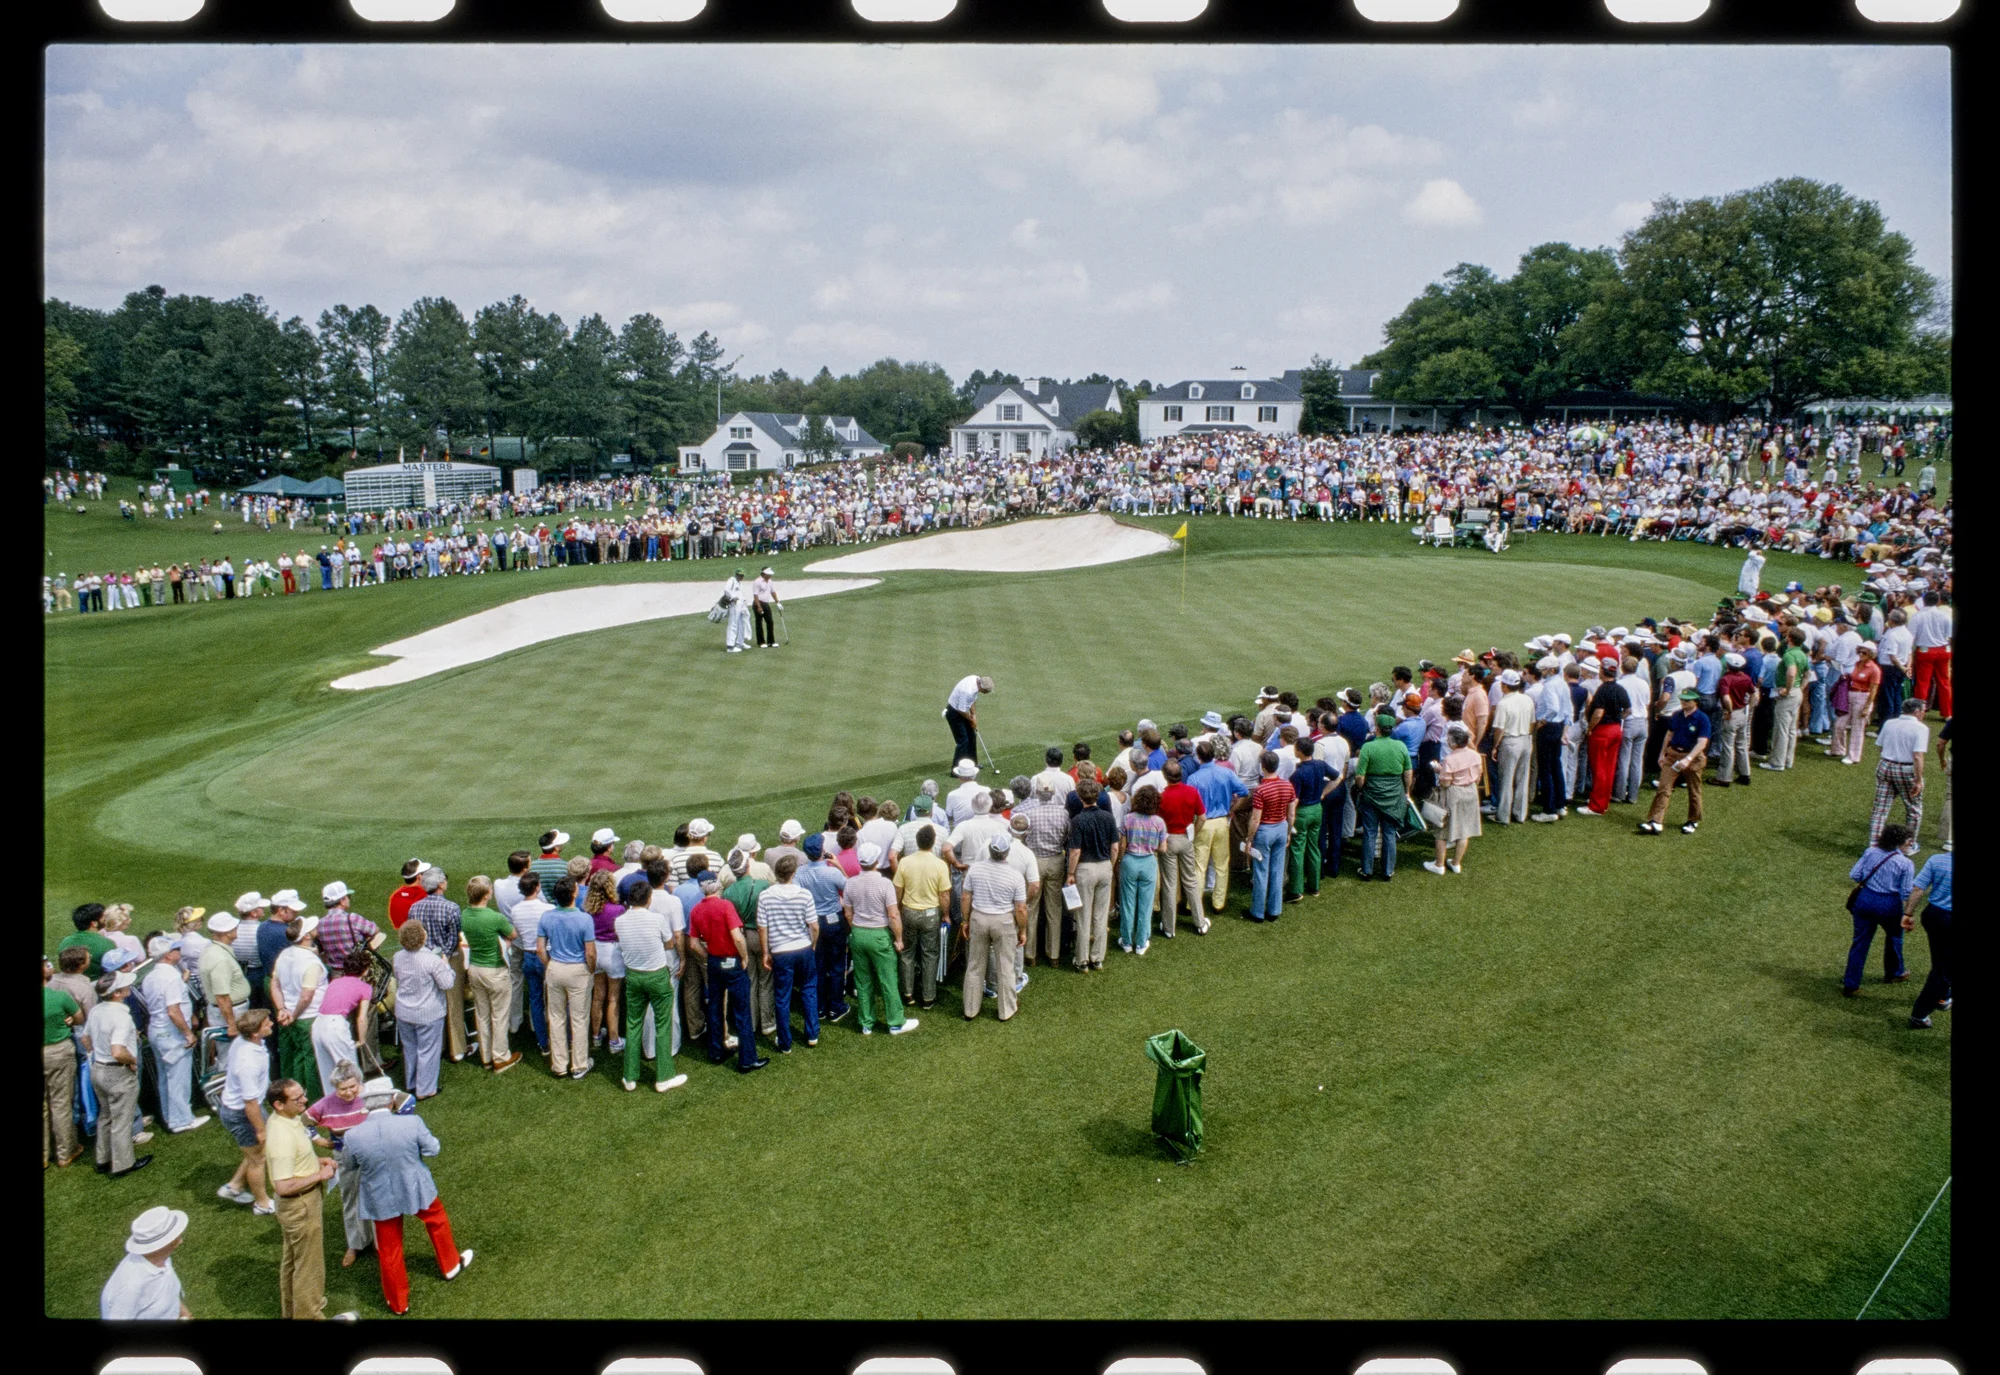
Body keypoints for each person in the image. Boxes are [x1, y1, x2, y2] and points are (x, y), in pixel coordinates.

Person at [342, 1095, 473, 1316]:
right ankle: (450, 1266)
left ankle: (398, 1303)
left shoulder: (352, 1135)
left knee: (389, 1247)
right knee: (437, 1220)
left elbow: (349, 1165)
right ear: (390, 1103)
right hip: (416, 1187)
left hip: (379, 1195)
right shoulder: (411, 1122)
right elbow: (433, 1149)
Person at [263, 1077, 351, 1321]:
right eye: (297, 1098)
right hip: (300, 1204)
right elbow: (283, 1185)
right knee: (309, 1267)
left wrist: (316, 1162)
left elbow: (295, 1162)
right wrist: (320, 1175)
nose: (305, 1100)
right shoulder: (281, 1136)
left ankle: (292, 1314)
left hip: (299, 1204)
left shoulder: (287, 1120)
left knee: (293, 1262)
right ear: (279, 1104)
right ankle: (311, 1316)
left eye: (303, 1094)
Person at [613, 879, 688, 1091]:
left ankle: (630, 1076)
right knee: (662, 1024)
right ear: (648, 899)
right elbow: (669, 943)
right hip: (656, 976)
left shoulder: (620, 921)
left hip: (634, 977)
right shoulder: (656, 920)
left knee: (633, 1023)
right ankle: (663, 1076)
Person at [689, 871, 766, 1072]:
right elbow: (738, 937)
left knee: (715, 1008)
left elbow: (694, 943)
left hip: (714, 961)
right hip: (731, 961)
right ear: (716, 885)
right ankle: (747, 1058)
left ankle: (716, 1051)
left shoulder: (696, 910)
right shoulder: (725, 906)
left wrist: (709, 956)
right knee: (741, 1010)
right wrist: (744, 957)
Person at [82, 970, 152, 1177]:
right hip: (117, 1072)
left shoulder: (96, 1011)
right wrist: (132, 1061)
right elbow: (118, 1051)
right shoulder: (122, 1017)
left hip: (98, 1069)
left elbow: (85, 1039)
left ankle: (102, 1159)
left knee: (105, 1116)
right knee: (122, 1120)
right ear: (117, 993)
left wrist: (97, 1053)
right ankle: (123, 1163)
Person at [140, 936, 209, 1135]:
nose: (180, 951)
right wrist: (188, 1033)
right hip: (172, 1033)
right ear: (169, 955)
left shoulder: (151, 975)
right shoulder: (171, 977)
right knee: (178, 1077)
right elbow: (173, 1010)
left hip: (157, 1030)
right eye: (177, 949)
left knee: (165, 1075)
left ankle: (170, 1115)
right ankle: (182, 1120)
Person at [846, 842, 916, 1035]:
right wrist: (899, 938)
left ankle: (866, 1022)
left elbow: (848, 913)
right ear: (876, 861)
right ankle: (895, 1022)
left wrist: (857, 929)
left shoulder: (850, 883)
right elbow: (893, 915)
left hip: (858, 934)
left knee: (862, 980)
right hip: (879, 934)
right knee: (888, 980)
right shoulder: (885, 884)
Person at [963, 833, 1029, 1021]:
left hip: (979, 918)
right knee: (1006, 966)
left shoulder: (975, 869)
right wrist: (1022, 930)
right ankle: (1006, 1010)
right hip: (1004, 922)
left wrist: (965, 920)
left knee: (975, 965)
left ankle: (970, 1008)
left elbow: (966, 896)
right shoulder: (1015, 876)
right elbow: (1021, 908)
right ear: (1007, 853)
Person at [459, 877, 522, 1075]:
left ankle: (486, 1057)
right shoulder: (494, 917)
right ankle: (501, 1057)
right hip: (494, 970)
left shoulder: (465, 914)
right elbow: (513, 934)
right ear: (486, 894)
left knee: (482, 1014)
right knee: (499, 1015)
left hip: (475, 968)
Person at [757, 857, 820, 1053]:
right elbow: (814, 926)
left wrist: (766, 952)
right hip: (803, 948)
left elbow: (762, 927)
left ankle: (785, 1042)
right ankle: (812, 1034)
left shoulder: (766, 896)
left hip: (781, 951)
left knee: (782, 996)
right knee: (809, 989)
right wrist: (813, 944)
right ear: (793, 873)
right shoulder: (804, 894)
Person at [537, 877, 598, 1079]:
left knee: (556, 1018)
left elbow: (540, 949)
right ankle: (579, 1064)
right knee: (579, 1019)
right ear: (574, 894)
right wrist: (590, 970)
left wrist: (551, 965)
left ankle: (559, 1064)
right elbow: (590, 953)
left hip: (556, 968)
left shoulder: (546, 917)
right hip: (578, 969)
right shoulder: (584, 919)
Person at [1843, 824, 1913, 996]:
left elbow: (1855, 874)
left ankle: (1851, 984)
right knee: (1895, 937)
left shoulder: (1870, 852)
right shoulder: (1905, 863)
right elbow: (1905, 892)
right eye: (1909, 841)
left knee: (1860, 942)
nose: (1910, 844)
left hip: (1865, 900)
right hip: (1889, 904)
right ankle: (1895, 972)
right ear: (1899, 843)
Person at [217, 1010, 276, 1214]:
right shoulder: (248, 1062)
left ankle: (234, 1186)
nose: (271, 1023)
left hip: (249, 1108)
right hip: (242, 1113)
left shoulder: (246, 1042)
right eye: (266, 1023)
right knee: (257, 1159)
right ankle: (262, 1203)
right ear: (254, 1033)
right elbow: (249, 1102)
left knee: (257, 1152)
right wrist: (260, 1129)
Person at [390, 920, 453, 1100]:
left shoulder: (398, 957)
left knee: (410, 1048)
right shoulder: (431, 960)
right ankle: (425, 1089)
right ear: (422, 937)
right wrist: (447, 966)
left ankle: (411, 1083)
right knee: (428, 1050)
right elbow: (447, 983)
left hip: (404, 1010)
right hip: (427, 1012)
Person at [892, 823, 950, 1008]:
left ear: (917, 842)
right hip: (931, 914)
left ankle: (908, 993)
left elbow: (898, 889)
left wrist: (899, 908)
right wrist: (946, 914)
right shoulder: (940, 865)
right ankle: (928, 996)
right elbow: (944, 895)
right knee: (930, 954)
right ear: (933, 843)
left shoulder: (905, 862)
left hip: (909, 912)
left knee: (907, 953)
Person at [1065, 774, 1121, 969]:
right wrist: (1111, 866)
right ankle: (1097, 957)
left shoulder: (1079, 820)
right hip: (1105, 866)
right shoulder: (1108, 817)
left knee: (1083, 915)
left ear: (1080, 798)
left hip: (1085, 869)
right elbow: (1115, 846)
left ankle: (1082, 959)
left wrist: (1070, 873)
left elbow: (1075, 851)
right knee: (1100, 914)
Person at [1640, 689, 1711, 836]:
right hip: (1673, 754)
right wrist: (1662, 753)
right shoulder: (1677, 715)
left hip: (1692, 757)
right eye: (1682, 699)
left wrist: (1688, 759)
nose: (1683, 702)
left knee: (1694, 790)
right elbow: (1669, 734)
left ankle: (1693, 820)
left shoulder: (1702, 719)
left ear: (1695, 702)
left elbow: (1702, 742)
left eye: (1687, 700)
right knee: (1663, 788)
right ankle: (1656, 821)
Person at [101, 1207, 191, 1320]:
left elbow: (167, 1289)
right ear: (162, 1246)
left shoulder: (162, 1259)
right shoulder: (130, 1287)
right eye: (174, 1237)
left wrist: (182, 1311)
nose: (180, 1240)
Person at [1352, 718, 1412, 881]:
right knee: (1389, 833)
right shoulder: (1400, 746)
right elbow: (1407, 773)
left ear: (1377, 729)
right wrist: (1406, 791)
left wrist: (1360, 788)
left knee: (1370, 832)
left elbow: (1360, 776)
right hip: (1393, 795)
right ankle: (1387, 871)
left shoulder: (1368, 747)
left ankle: (1367, 870)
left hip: (1371, 794)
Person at [1424, 724, 1485, 874]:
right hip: (1471, 791)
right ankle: (1456, 862)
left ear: (1454, 743)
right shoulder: (1475, 755)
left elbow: (1445, 782)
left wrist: (1439, 770)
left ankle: (1439, 865)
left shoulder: (1450, 759)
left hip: (1453, 793)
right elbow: (1479, 775)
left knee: (1442, 830)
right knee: (1464, 830)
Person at [43, 957, 86, 1168]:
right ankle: (65, 1152)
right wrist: (67, 1019)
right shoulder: (59, 997)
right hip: (58, 1052)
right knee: (60, 1103)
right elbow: (79, 1018)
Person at [1902, 849, 1952, 1028]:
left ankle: (1943, 996)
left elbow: (1918, 888)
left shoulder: (1937, 860)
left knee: (1941, 962)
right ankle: (1919, 1014)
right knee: (1942, 971)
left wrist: (1908, 913)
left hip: (1934, 916)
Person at [1871, 698, 1930, 844]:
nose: (1924, 714)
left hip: (1885, 765)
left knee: (1880, 809)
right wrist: (1918, 779)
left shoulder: (1889, 723)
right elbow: (1917, 756)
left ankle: (1874, 844)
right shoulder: (1921, 728)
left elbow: (1881, 747)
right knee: (1914, 809)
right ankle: (1908, 845)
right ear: (1916, 712)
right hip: (1906, 769)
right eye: (1923, 711)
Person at [1117, 784, 1168, 953]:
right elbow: (1163, 848)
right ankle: (1141, 941)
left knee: (1127, 903)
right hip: (1148, 862)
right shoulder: (1159, 822)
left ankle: (1126, 941)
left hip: (1130, 860)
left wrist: (1120, 859)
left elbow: (1122, 844)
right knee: (1146, 905)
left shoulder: (1128, 819)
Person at [1284, 739, 1336, 901]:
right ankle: (1314, 886)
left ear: (1299, 751)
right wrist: (1323, 793)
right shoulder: (1320, 765)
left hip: (1302, 812)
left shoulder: (1297, 774)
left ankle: (1296, 890)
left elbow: (1295, 801)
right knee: (1314, 847)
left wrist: (1288, 821)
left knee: (1297, 849)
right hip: (1316, 809)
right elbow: (1337, 777)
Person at [943, 673, 993, 769]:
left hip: (961, 710)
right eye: (986, 691)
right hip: (954, 713)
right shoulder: (968, 691)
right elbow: (961, 710)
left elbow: (971, 701)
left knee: (972, 735)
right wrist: (971, 721)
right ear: (982, 688)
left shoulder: (976, 680)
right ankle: (956, 769)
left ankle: (972, 764)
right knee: (963, 740)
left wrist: (973, 716)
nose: (987, 693)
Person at [751, 565, 782, 647]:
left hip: (766, 604)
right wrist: (758, 607)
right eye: (769, 574)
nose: (770, 576)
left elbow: (772, 592)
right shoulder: (757, 581)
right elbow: (755, 595)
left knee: (770, 622)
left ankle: (771, 641)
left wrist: (777, 602)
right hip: (758, 603)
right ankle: (761, 642)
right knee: (759, 623)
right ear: (764, 574)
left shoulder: (770, 581)